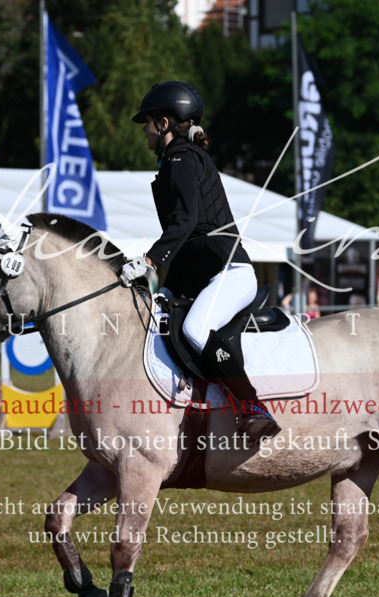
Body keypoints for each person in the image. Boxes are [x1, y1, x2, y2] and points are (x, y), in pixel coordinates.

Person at [120, 80, 279, 444]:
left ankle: (253, 407)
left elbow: (186, 223)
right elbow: (189, 245)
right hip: (203, 275)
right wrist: (166, 289)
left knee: (194, 330)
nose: (144, 131)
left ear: (163, 123)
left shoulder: (183, 158)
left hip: (230, 273)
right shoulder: (177, 161)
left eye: (146, 123)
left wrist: (147, 260)